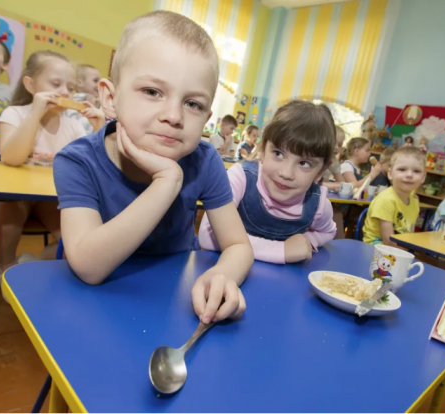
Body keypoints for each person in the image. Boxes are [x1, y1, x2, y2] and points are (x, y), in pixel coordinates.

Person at [53, 11, 254, 325]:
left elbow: (239, 245)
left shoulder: (204, 160)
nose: (174, 115)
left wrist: (223, 275)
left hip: (172, 302)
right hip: (96, 303)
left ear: (206, 117)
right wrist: (167, 181)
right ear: (110, 98)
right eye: (152, 92)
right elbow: (88, 267)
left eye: (193, 104)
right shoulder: (77, 161)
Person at [0, 50, 105, 299]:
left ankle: (26, 266)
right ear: (30, 85)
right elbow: (11, 158)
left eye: (70, 86)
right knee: (7, 212)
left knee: (77, 243)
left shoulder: (73, 125)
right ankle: (5, 265)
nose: (65, 92)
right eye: (56, 84)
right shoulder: (15, 114)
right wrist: (35, 113)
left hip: (52, 199)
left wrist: (99, 129)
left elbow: (94, 164)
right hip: (16, 196)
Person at [199, 100, 337, 264]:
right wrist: (282, 251)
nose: (286, 173)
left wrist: (308, 240)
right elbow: (207, 235)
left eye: (304, 163)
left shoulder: (319, 205)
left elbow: (329, 232)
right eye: (278, 154)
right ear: (263, 149)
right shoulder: (241, 178)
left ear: (321, 171)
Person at [363, 146, 427, 246]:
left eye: (416, 171)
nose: (409, 175)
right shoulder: (386, 199)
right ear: (390, 174)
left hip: (398, 249)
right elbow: (389, 241)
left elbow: (410, 234)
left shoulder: (414, 202)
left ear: (423, 178)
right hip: (376, 250)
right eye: (402, 169)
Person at [65, 64, 103, 134]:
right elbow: (72, 123)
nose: (99, 84)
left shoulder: (98, 101)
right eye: (95, 80)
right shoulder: (72, 100)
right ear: (79, 83)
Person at [321, 125, 346, 192]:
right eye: (333, 143)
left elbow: (342, 183)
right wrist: (331, 186)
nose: (336, 147)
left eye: (340, 145)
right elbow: (310, 184)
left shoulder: (334, 161)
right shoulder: (316, 159)